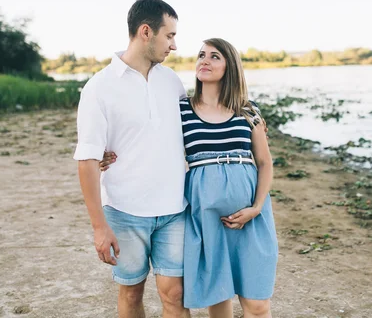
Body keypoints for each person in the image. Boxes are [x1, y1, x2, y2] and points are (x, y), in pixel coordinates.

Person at [102, 38, 279, 318]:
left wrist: (256, 207)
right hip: (205, 216)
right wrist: (106, 153)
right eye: (201, 55)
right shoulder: (182, 110)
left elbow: (265, 162)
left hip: (252, 216)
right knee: (218, 298)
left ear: (230, 65)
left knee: (258, 305)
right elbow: (146, 136)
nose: (205, 61)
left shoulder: (248, 110)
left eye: (214, 56)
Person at [73, 0, 190, 318]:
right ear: (145, 32)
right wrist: (99, 227)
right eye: (170, 35)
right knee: (131, 293)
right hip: (125, 211)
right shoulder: (98, 88)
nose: (175, 45)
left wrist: (250, 124)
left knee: (176, 295)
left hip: (174, 210)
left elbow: (199, 123)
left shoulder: (172, 81)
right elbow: (86, 159)